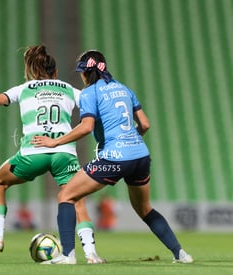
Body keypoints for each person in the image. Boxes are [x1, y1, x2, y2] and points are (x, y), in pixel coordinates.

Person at [0, 45, 103, 263]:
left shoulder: (24, 89)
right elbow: (97, 108)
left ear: (34, 71)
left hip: (33, 152)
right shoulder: (68, 89)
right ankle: (91, 254)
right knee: (77, 200)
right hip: (63, 151)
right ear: (55, 72)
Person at [32, 49, 193, 264]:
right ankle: (181, 254)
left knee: (66, 196)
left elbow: (86, 127)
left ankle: (68, 255)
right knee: (145, 209)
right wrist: (130, 141)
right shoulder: (124, 89)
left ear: (86, 73)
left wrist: (55, 141)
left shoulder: (89, 93)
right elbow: (145, 124)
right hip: (141, 156)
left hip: (115, 158)